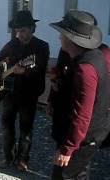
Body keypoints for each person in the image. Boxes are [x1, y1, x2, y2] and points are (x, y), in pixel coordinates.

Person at [49, 10, 110, 179]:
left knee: (65, 176)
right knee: (80, 175)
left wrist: (67, 148)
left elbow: (83, 113)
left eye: (62, 34)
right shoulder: (89, 57)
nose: (59, 38)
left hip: (82, 139)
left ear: (70, 38)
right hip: (84, 136)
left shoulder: (86, 68)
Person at [0, 10, 49, 171]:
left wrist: (26, 72)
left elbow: (40, 67)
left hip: (29, 94)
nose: (19, 34)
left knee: (26, 130)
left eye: (23, 30)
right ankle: (8, 157)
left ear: (32, 28)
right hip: (9, 93)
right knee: (7, 128)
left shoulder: (42, 47)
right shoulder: (12, 44)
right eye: (17, 30)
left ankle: (23, 160)